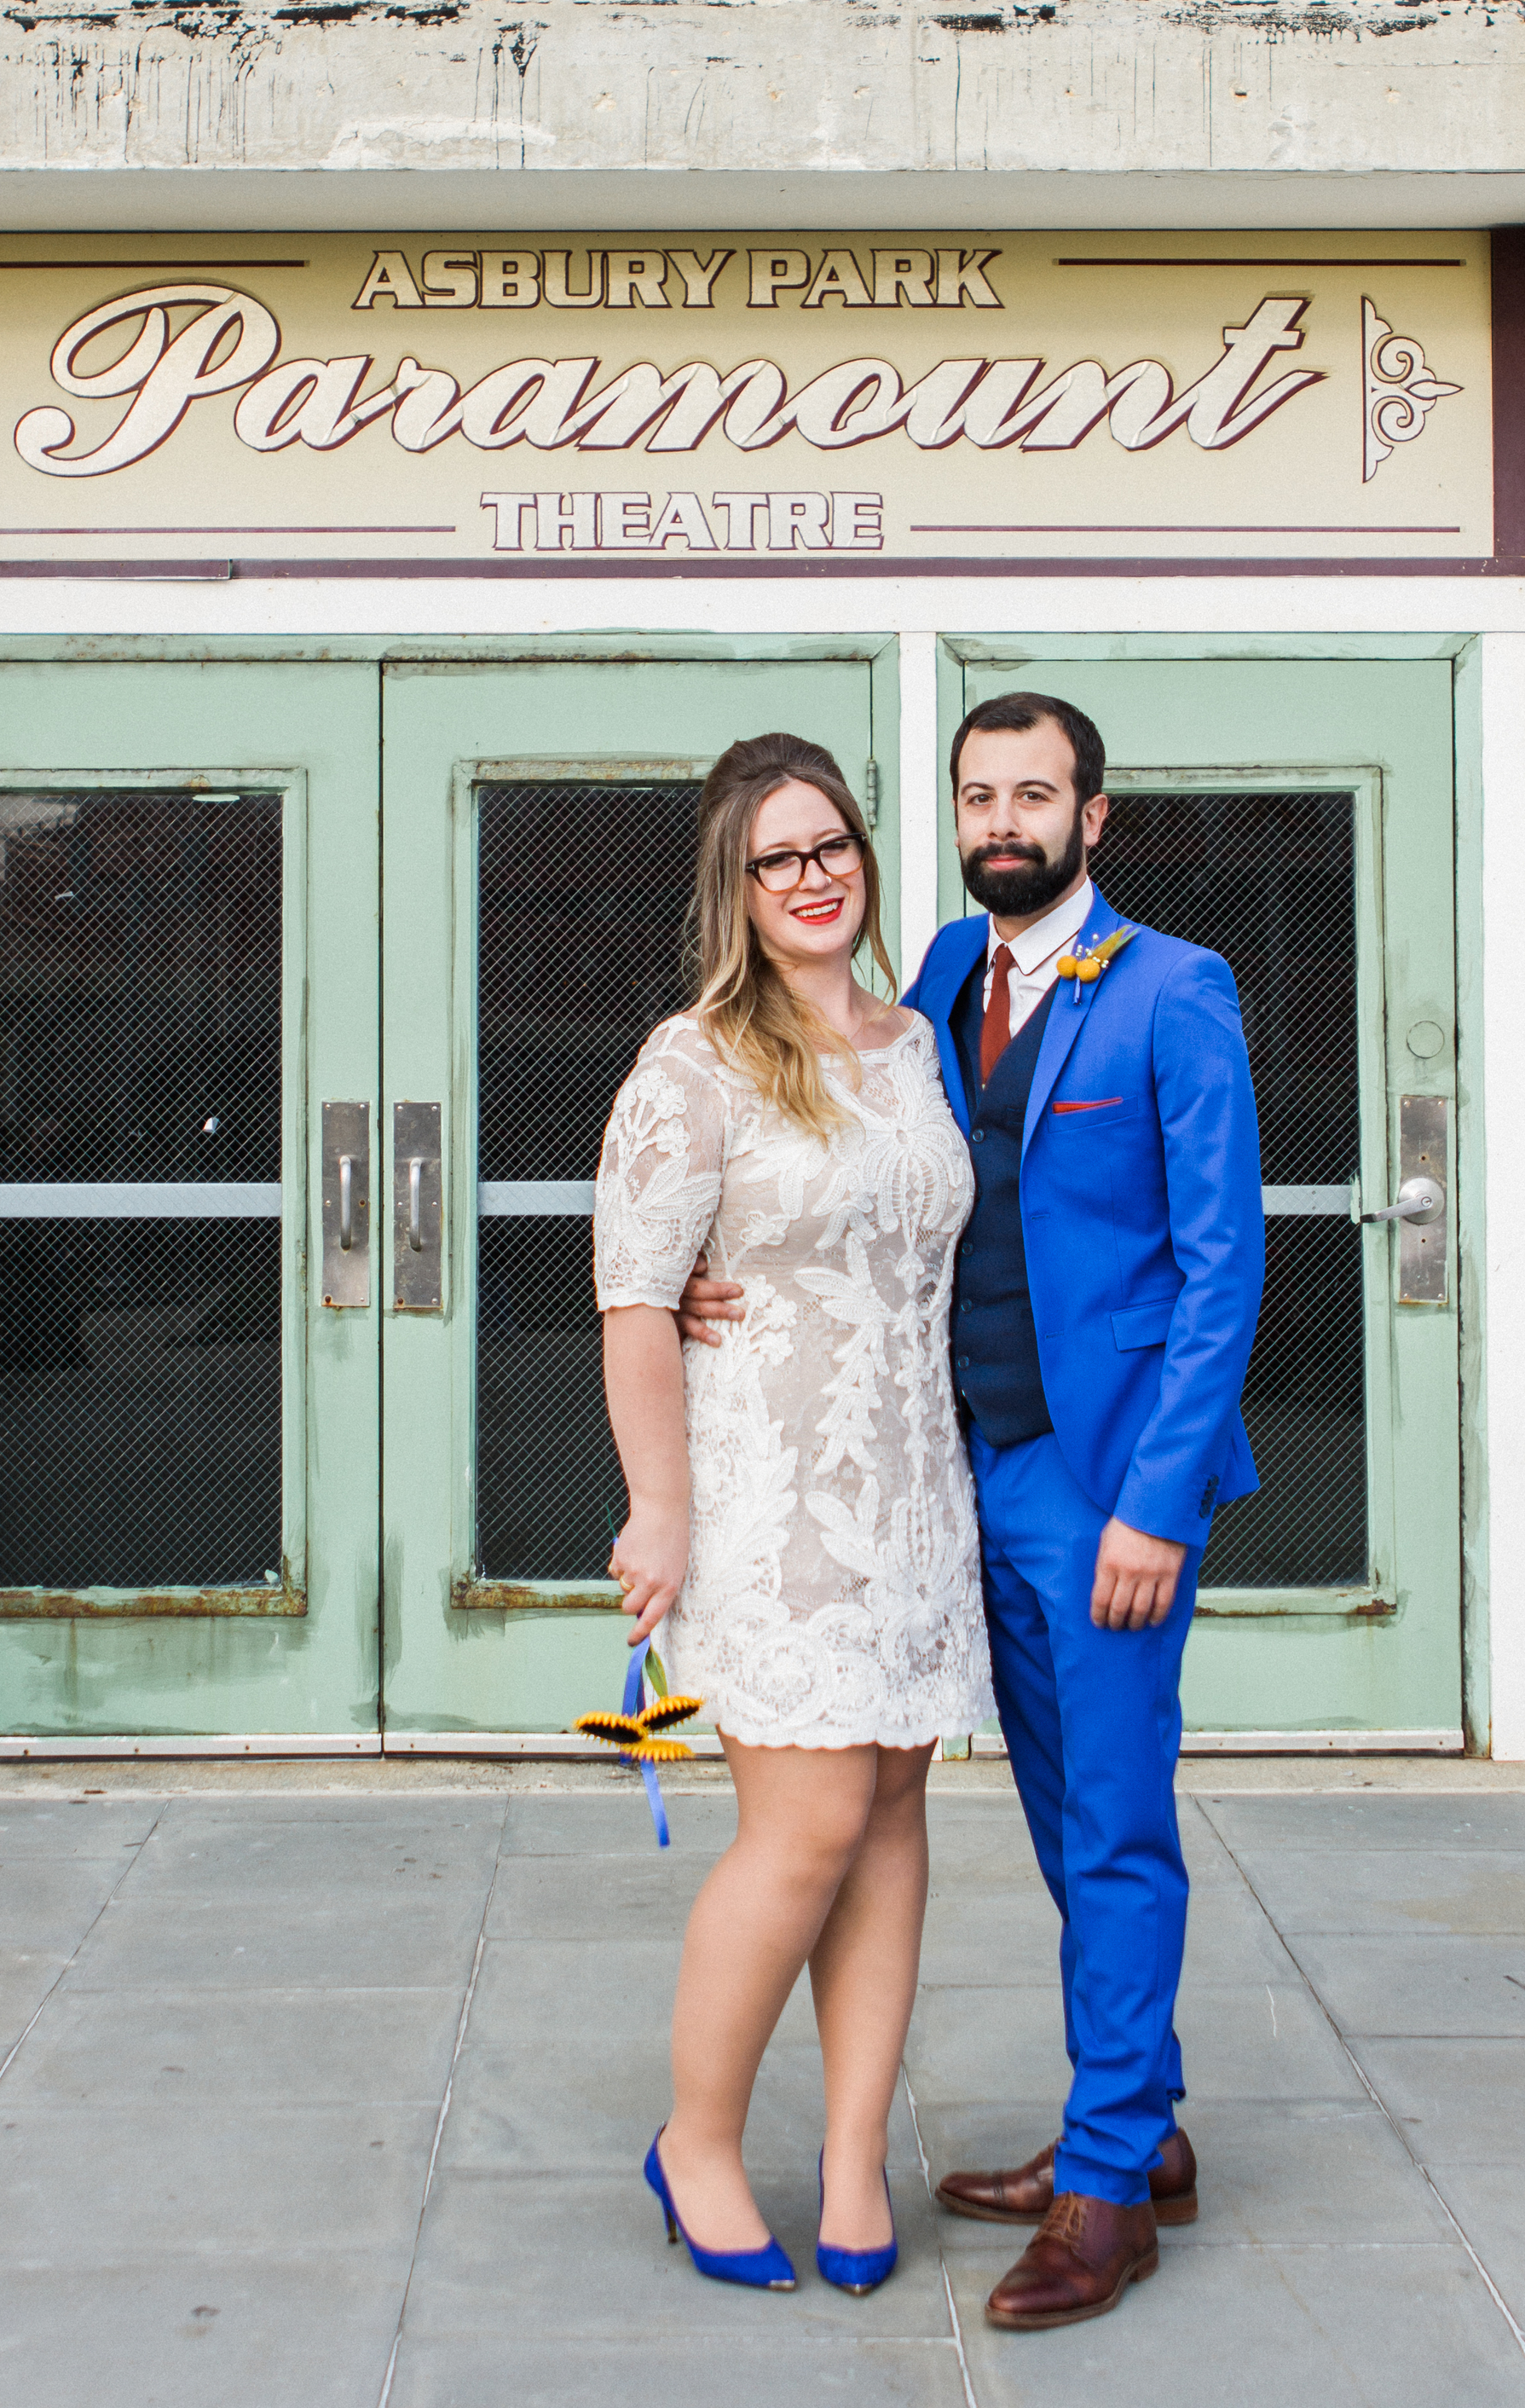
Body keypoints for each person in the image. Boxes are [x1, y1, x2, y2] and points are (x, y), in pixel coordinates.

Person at [683, 690, 1264, 2330]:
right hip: (960, 1474)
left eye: (1038, 793)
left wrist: (1155, 1500)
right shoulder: (933, 978)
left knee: (1118, 1822)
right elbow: (860, 1189)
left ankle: (1106, 2193)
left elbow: (1227, 1268)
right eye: (976, 792)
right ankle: (1133, 2126)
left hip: (1106, 1489)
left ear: (1098, 816)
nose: (1003, 817)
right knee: (1059, 1810)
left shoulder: (1174, 989)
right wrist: (726, 1287)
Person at [594, 730, 991, 2298]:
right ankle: (697, 2139)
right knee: (805, 1826)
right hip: (767, 1499)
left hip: (913, 1492)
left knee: (893, 1820)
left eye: (834, 846)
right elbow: (635, 1300)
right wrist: (657, 1511)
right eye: (780, 858)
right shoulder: (691, 1062)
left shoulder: (917, 1039)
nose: (814, 876)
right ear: (737, 888)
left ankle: (848, 2160)